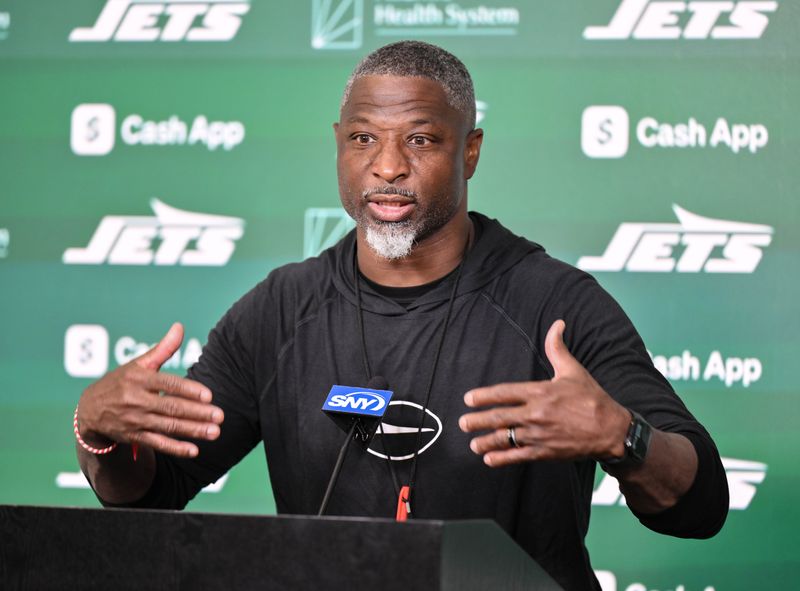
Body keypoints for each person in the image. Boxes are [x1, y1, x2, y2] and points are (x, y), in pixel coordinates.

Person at [74, 41, 728, 590]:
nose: (387, 167)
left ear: (469, 151)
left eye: (420, 139)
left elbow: (699, 505)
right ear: (338, 144)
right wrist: (100, 436)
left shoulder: (557, 306)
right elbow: (153, 492)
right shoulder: (278, 310)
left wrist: (625, 436)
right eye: (364, 138)